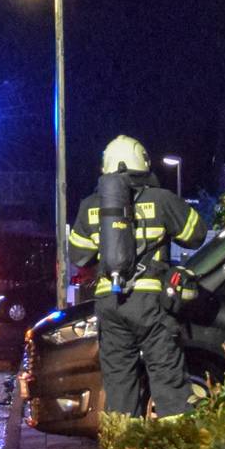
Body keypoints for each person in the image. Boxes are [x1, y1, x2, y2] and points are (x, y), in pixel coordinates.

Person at [65, 135, 205, 419]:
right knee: (168, 382)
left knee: (119, 387)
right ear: (143, 164)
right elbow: (196, 235)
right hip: (152, 304)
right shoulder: (162, 199)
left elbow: (78, 255)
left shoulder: (90, 206)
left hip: (110, 303)